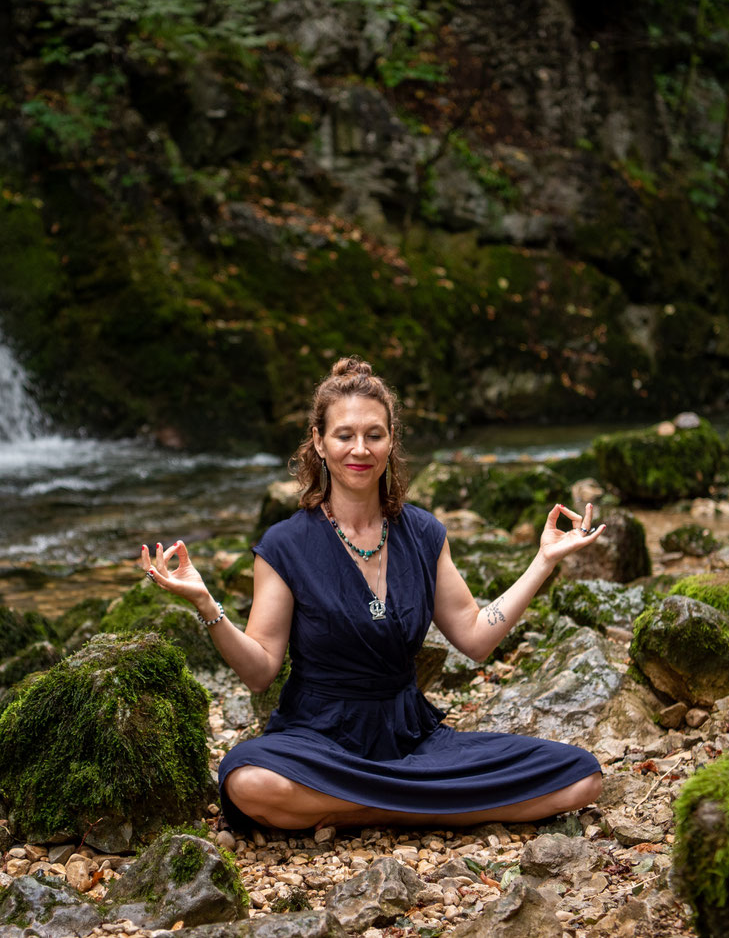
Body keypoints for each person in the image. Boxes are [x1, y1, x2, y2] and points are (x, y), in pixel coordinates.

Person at [141, 357, 604, 833]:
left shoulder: (423, 532)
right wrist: (206, 603)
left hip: (410, 738)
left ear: (390, 441)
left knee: (581, 777)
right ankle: (425, 803)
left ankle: (363, 807)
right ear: (319, 443)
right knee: (247, 779)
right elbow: (261, 672)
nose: (359, 449)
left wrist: (544, 561)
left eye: (374, 435)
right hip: (319, 739)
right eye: (344, 435)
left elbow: (474, 636)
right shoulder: (284, 545)